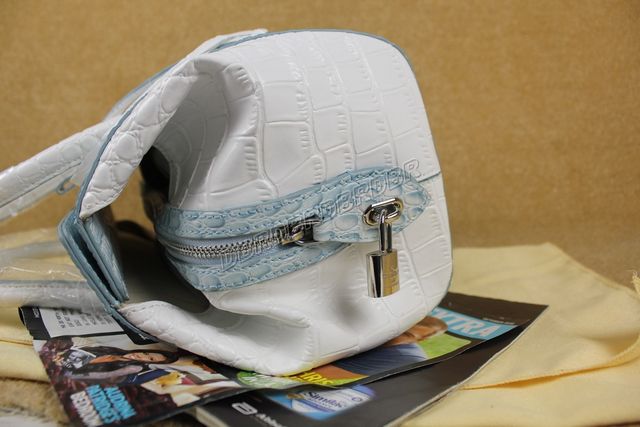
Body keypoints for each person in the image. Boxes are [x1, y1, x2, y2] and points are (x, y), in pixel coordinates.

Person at [331, 316, 448, 376]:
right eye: (394, 329)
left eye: (405, 334)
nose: (391, 335)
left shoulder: (409, 359)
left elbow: (331, 375)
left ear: (421, 339)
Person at [57, 345, 180, 384]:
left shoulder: (130, 369)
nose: (141, 355)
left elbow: (76, 377)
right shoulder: (112, 350)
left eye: (150, 359)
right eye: (145, 352)